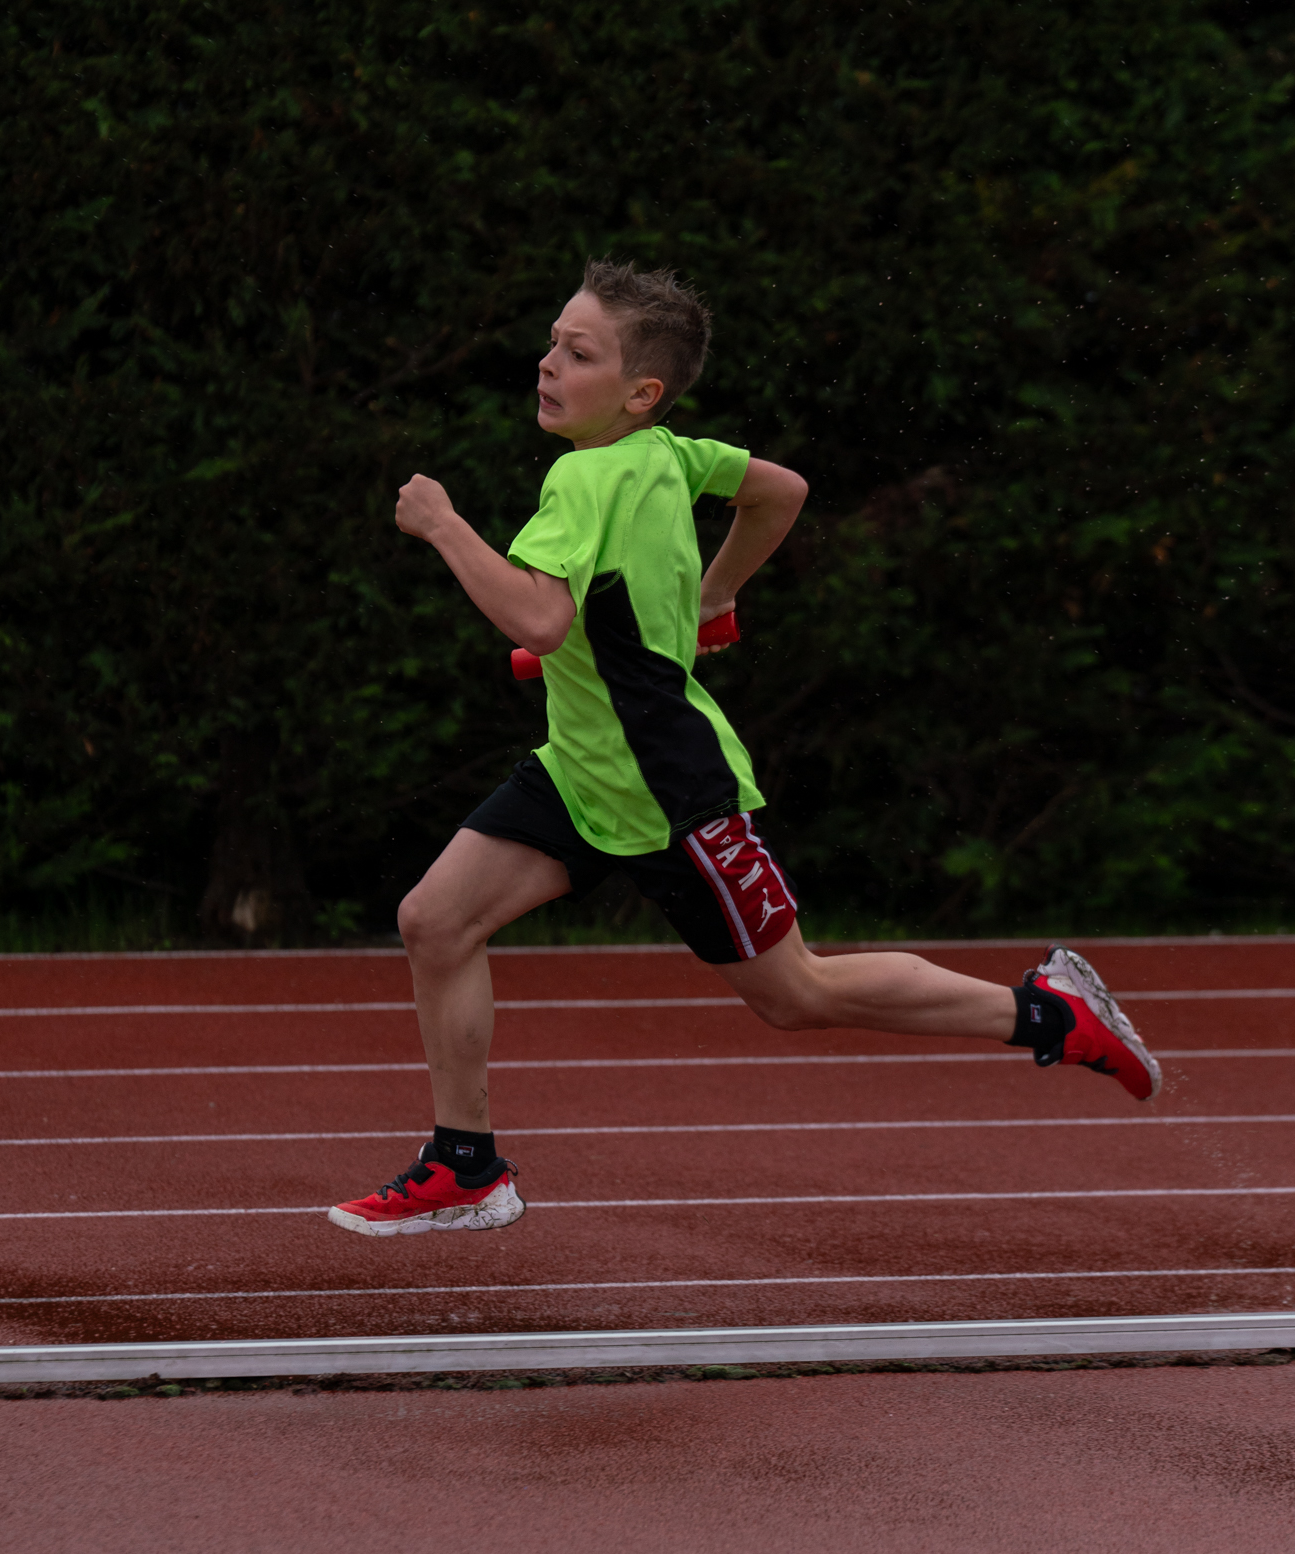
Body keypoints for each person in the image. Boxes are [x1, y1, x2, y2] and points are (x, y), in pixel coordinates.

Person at [328, 261, 1159, 1237]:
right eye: (552, 342)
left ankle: (1051, 1012)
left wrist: (443, 526)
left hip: (665, 789)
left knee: (797, 993)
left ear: (641, 393)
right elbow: (778, 491)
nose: (548, 364)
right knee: (434, 922)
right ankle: (466, 1165)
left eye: (578, 353)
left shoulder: (582, 476)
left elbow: (540, 620)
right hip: (580, 771)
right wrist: (715, 594)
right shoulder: (671, 456)